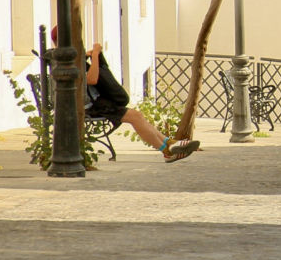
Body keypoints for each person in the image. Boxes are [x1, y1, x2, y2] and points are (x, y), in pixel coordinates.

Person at [53, 28, 199, 162]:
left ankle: (170, 144)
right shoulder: (66, 60)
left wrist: (88, 55)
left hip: (92, 103)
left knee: (137, 115)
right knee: (135, 117)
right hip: (90, 106)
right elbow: (91, 79)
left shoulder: (66, 58)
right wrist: (96, 55)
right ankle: (167, 150)